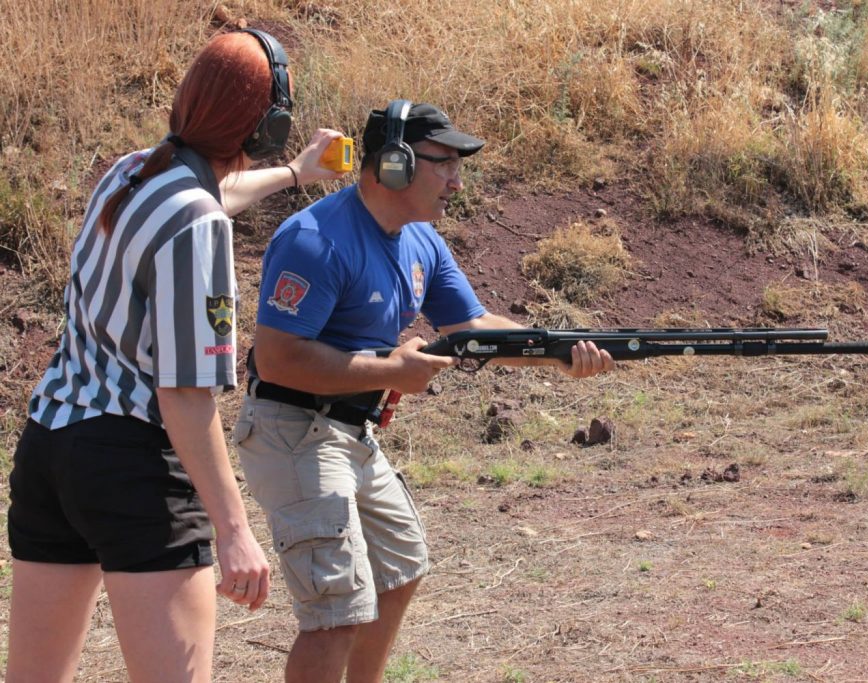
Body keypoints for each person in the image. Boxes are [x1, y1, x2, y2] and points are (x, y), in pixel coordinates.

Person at [5, 29, 349, 683]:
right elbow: (185, 393)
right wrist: (234, 528)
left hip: (48, 450)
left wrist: (298, 174)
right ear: (267, 124)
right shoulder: (200, 224)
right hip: (131, 465)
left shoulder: (132, 169)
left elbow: (210, 195)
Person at [235, 99, 615, 683]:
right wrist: (390, 371)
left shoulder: (420, 241)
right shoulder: (316, 240)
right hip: (292, 430)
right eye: (446, 165)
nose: (457, 182)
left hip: (348, 431)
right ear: (395, 163)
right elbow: (279, 361)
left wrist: (558, 352)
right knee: (336, 614)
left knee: (399, 568)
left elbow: (472, 328)